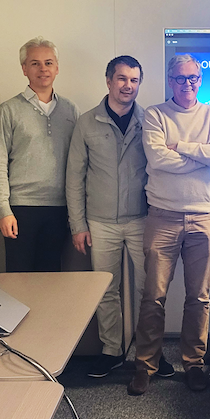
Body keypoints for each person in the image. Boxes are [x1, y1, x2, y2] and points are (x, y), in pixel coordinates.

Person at [128, 54, 210, 395]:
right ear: (170, 80)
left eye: (193, 78)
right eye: (180, 78)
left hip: (205, 217)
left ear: (200, 80)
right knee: (153, 297)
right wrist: (203, 156)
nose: (187, 84)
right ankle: (145, 365)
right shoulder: (155, 114)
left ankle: (194, 363)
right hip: (163, 217)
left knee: (199, 298)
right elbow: (158, 159)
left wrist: (183, 148)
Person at [66, 55, 172, 379]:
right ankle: (111, 351)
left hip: (142, 219)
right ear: (109, 81)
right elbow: (74, 177)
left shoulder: (150, 121)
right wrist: (78, 225)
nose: (128, 85)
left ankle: (150, 352)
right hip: (100, 222)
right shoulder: (87, 122)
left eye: (134, 80)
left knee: (150, 290)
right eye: (122, 79)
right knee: (105, 290)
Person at [0, 37, 78, 272]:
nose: (43, 69)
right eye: (35, 63)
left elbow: (78, 164)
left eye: (48, 63)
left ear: (57, 68)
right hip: (21, 209)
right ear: (24, 69)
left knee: (51, 278)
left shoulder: (70, 110)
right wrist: (4, 211)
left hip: (60, 208)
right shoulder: (8, 110)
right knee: (18, 281)